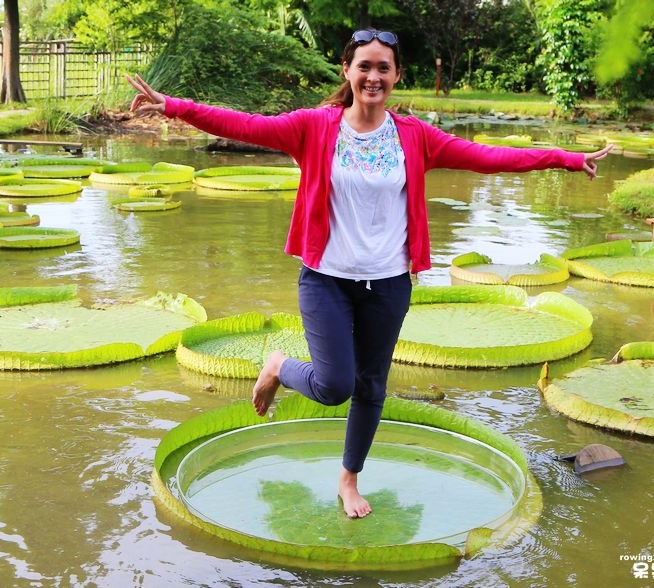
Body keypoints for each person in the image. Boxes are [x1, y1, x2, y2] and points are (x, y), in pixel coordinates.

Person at [127, 28, 612, 519]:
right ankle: (279, 366)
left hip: (388, 284)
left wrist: (566, 159)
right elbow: (244, 125)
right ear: (347, 71)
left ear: (397, 76)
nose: (373, 76)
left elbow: (491, 159)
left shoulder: (415, 136)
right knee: (335, 385)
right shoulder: (314, 127)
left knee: (372, 387)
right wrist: (172, 105)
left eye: (384, 68)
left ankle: (349, 479)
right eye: (365, 66)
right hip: (326, 279)